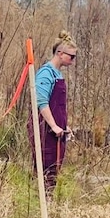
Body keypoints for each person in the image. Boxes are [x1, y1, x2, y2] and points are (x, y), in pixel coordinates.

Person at [33, 33, 76, 193]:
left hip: (57, 131)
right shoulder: (46, 73)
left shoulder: (58, 74)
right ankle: (41, 201)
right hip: (45, 130)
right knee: (45, 167)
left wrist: (65, 125)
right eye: (71, 56)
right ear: (60, 53)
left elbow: (59, 106)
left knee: (55, 169)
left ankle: (49, 201)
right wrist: (53, 125)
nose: (73, 60)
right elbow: (41, 102)